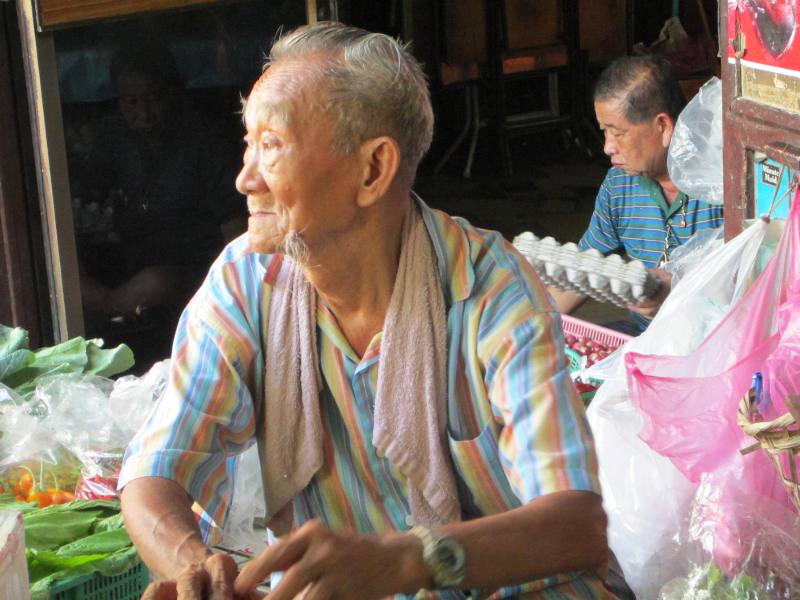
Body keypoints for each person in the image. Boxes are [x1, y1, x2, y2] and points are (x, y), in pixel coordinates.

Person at [120, 22, 616, 600]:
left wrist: (409, 560)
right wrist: (197, 568)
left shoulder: (489, 289)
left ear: (373, 170)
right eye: (248, 145)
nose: (245, 178)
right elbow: (154, 471)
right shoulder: (246, 282)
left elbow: (577, 526)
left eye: (272, 146)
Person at [76, 42, 245, 361]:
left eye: (153, 99)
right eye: (132, 102)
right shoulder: (114, 138)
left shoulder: (205, 143)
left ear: (174, 92)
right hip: (132, 273)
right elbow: (81, 203)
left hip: (198, 279)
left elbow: (236, 238)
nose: (144, 114)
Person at [550, 55, 724, 333]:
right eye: (604, 132)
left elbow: (746, 282)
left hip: (712, 342)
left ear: (664, 127)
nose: (607, 147)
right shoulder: (620, 185)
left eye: (617, 133)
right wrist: (528, 325)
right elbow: (586, 270)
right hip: (646, 337)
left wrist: (676, 285)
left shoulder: (719, 185)